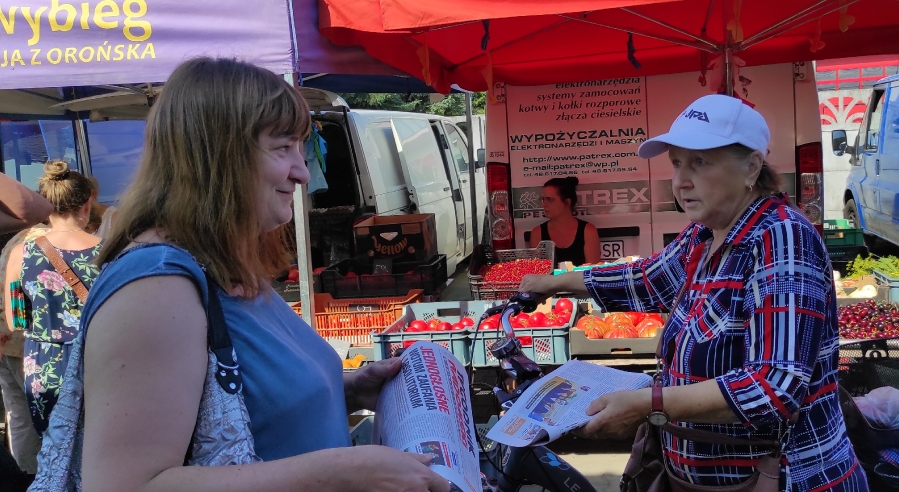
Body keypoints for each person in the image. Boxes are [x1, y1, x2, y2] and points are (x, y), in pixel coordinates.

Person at [30, 58, 449, 492]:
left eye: (300, 147)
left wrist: (346, 389)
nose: (303, 172)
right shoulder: (155, 288)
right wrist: (338, 474)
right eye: (283, 147)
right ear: (219, 156)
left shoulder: (218, 263)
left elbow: (250, 406)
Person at [520, 94, 868, 491]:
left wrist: (651, 404)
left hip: (788, 478)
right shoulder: (705, 233)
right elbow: (647, 279)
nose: (681, 180)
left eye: (699, 162)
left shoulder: (782, 238)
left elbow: (773, 387)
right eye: (676, 163)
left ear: (751, 167)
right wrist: (552, 282)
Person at [4, 160, 102, 436]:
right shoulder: (110, 251)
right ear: (87, 204)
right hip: (98, 360)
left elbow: (16, 321)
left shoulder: (22, 253)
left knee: (54, 444)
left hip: (44, 366)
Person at [0, 173, 53, 489]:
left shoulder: (14, 243)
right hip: (35, 345)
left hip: (6, 340)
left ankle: (28, 477)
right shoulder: (43, 241)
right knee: (49, 419)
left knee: (19, 416)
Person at [528, 177, 601, 266]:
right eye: (543, 199)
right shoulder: (537, 233)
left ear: (567, 202)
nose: (544, 204)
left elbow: (593, 269)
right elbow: (536, 270)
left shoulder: (588, 231)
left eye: (550, 199)